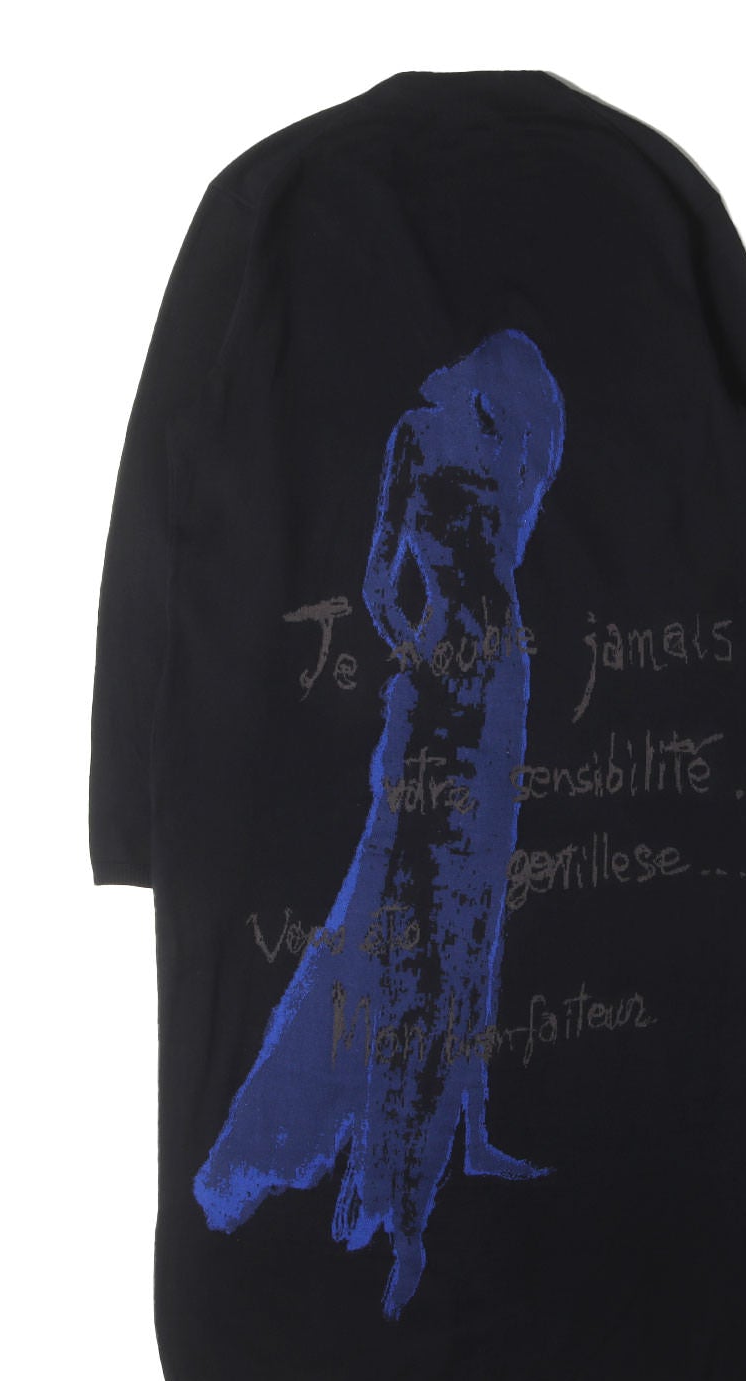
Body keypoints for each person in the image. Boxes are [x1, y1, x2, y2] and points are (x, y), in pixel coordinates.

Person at [192, 327, 567, 1319]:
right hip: (438, 695)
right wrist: (420, 660)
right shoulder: (414, 435)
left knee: (476, 917)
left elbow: (507, 559)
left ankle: (466, 1136)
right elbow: (375, 583)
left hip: (501, 690)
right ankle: (393, 1185)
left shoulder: (502, 441)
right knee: (409, 923)